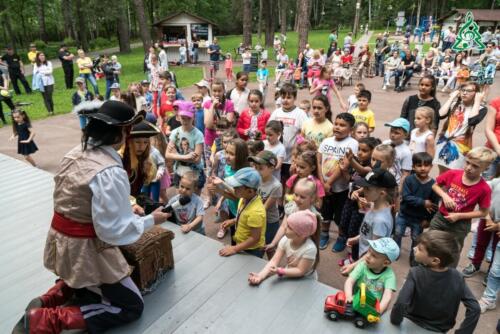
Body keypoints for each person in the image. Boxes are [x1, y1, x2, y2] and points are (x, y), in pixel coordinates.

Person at [16, 101, 170, 333]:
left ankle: (51, 297)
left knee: (83, 281)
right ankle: (47, 320)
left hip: (60, 238)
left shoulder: (75, 152)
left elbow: (80, 203)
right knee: (131, 306)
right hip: (86, 248)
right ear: (122, 132)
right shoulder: (109, 171)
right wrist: (151, 220)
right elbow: (115, 232)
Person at [391, 230, 480, 333]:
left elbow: (401, 302)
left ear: (435, 261)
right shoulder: (458, 277)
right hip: (439, 330)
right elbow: (475, 308)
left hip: (410, 323)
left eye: (420, 249)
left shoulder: (416, 273)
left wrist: (395, 321)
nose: (414, 249)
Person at [430, 147, 496, 267]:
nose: (469, 167)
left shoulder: (484, 189)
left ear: (485, 169)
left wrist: (459, 215)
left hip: (460, 225)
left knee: (452, 252)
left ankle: (448, 276)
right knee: (430, 244)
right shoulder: (453, 173)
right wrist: (445, 196)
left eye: (475, 166)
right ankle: (424, 270)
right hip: (440, 218)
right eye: (467, 162)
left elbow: (483, 212)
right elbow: (435, 186)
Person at [341, 169, 398, 276]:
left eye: (367, 188)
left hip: (370, 262)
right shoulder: (373, 206)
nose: (363, 191)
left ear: (381, 193)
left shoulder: (380, 221)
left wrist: (353, 266)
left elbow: (374, 250)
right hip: (364, 256)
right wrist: (357, 239)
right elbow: (369, 232)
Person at [317, 113, 358, 250]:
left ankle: (341, 237)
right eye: (336, 124)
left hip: (342, 188)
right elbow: (319, 161)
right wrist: (322, 181)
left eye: (342, 125)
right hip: (324, 186)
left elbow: (344, 165)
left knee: (341, 215)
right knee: (325, 213)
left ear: (351, 129)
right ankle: (324, 234)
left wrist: (329, 183)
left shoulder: (352, 143)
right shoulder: (326, 141)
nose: (338, 127)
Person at [248, 210, 319, 285]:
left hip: (306, 281)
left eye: (290, 227)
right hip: (290, 275)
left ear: (301, 234)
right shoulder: (285, 240)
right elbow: (274, 261)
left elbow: (300, 271)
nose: (285, 227)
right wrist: (260, 276)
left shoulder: (310, 249)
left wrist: (280, 271)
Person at [393, 152, 440, 266]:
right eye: (419, 165)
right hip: (404, 214)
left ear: (431, 167)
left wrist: (428, 220)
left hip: (419, 219)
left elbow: (434, 205)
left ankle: (414, 258)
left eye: (426, 165)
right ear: (413, 167)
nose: (423, 168)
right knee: (398, 233)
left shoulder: (434, 185)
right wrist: (423, 202)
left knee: (416, 239)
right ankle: (394, 252)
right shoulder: (409, 180)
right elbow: (406, 197)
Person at [435, 83, 487, 173]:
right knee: (442, 172)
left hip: (461, 146)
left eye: (469, 91)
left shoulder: (481, 108)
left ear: (476, 93)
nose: (464, 93)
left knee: (455, 173)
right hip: (444, 142)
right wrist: (451, 98)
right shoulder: (454, 104)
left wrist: (478, 101)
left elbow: (472, 120)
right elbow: (440, 115)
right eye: (463, 90)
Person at [218, 167, 266, 258]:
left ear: (250, 191)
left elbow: (255, 238)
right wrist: (233, 221)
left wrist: (234, 249)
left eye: (237, 187)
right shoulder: (244, 198)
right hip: (242, 244)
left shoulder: (255, 212)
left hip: (251, 250)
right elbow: (244, 216)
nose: (233, 189)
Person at [344, 238, 399, 315]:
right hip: (356, 301)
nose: (367, 256)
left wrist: (378, 310)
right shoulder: (363, 265)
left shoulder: (389, 275)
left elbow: (387, 296)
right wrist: (349, 296)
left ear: (385, 263)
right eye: (368, 251)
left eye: (373, 255)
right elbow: (350, 281)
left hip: (372, 307)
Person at [269, 83, 308, 184]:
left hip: (292, 159)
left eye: (289, 97)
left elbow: (304, 134)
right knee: (276, 182)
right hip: (277, 157)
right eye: (283, 97)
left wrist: (296, 157)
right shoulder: (276, 113)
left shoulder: (300, 114)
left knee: (290, 183)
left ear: (294, 98)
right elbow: (269, 129)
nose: (285, 100)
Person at [250, 150, 283, 259]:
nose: (256, 171)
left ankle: (271, 267)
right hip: (256, 218)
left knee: (268, 248)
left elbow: (264, 208)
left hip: (269, 221)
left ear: (272, 168)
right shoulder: (254, 179)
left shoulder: (276, 186)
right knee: (257, 247)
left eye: (261, 168)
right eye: (255, 167)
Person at [166, 101, 205, 191]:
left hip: (195, 173)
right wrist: (187, 157)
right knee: (180, 198)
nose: (186, 121)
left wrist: (176, 155)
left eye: (188, 118)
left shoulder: (198, 134)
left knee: (195, 199)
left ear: (193, 117)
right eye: (183, 118)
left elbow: (196, 159)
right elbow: (167, 155)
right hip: (179, 171)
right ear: (179, 117)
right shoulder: (175, 133)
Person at [384, 118, 412, 187]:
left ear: (406, 135)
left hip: (394, 184)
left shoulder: (406, 152)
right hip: (382, 180)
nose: (393, 135)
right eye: (391, 131)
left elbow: (405, 174)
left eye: (397, 133)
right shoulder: (384, 143)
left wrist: (399, 190)